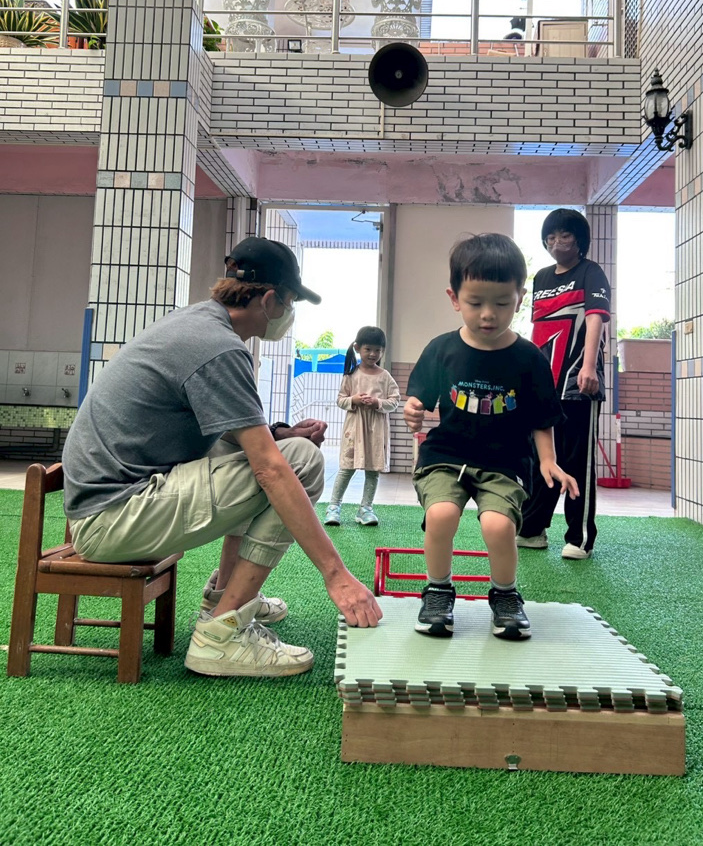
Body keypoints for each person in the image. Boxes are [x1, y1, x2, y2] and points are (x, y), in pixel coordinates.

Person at [62, 236, 382, 679]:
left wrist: (280, 433)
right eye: (289, 303)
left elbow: (228, 433)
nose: (289, 314)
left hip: (105, 506)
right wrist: (336, 575)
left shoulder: (197, 324)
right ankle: (221, 635)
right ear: (268, 300)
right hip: (113, 519)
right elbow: (270, 468)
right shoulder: (219, 347)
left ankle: (226, 595)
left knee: (274, 449)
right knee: (299, 462)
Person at [403, 232, 578, 640]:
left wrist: (548, 460)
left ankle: (505, 595)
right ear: (454, 298)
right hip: (446, 455)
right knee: (441, 515)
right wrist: (413, 409)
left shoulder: (529, 358)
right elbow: (419, 399)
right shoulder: (442, 349)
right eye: (475, 302)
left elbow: (541, 418)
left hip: (505, 460)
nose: (488, 314)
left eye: (501, 303)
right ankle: (438, 591)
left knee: (499, 527)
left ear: (519, 299)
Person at [517, 209, 611, 560]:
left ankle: (579, 538)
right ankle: (532, 529)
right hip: (545, 383)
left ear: (580, 240)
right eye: (551, 237)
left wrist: (588, 367)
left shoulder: (591, 272)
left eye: (565, 236)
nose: (557, 242)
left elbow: (595, 318)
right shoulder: (541, 277)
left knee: (576, 459)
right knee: (540, 457)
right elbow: (538, 330)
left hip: (578, 382)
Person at [324, 326, 400, 528]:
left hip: (376, 430)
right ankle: (333, 507)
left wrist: (377, 403)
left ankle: (366, 508)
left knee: (373, 471)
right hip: (354, 428)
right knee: (346, 468)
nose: (373, 354)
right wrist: (354, 400)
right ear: (357, 348)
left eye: (377, 350)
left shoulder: (385, 376)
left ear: (383, 351)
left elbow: (395, 400)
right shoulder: (351, 375)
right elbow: (340, 400)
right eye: (368, 349)